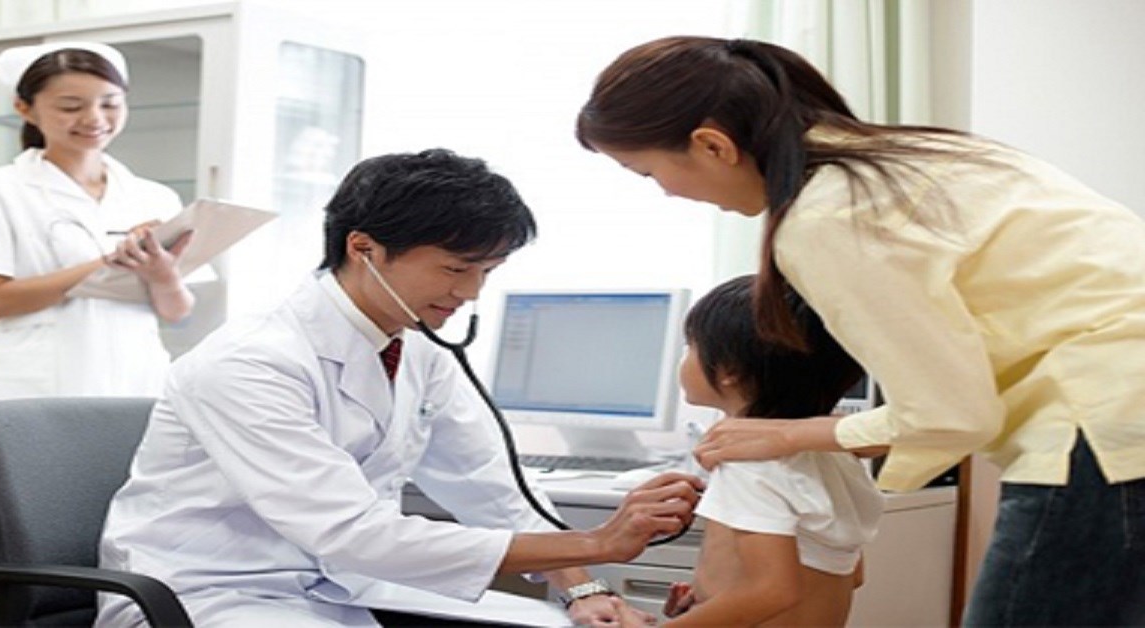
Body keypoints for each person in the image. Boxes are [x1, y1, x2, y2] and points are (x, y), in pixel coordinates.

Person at [575, 35, 1145, 626]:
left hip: (1103, 423)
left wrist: (789, 436)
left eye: (648, 172)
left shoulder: (830, 214)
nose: (667, 193)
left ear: (712, 145)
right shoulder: (915, 156)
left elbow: (953, 416)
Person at [97, 148, 701, 627]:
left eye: (487, 271)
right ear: (364, 248)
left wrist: (584, 589)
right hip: (207, 593)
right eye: (455, 268)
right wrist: (596, 542)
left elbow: (490, 491)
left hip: (337, 585)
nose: (470, 293)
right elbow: (350, 532)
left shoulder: (418, 347)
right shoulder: (249, 363)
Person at [0, 42, 194, 569]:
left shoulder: (153, 197)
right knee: (19, 532)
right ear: (25, 108)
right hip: (36, 383)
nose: (94, 118)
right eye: (70, 105)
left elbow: (176, 310)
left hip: (133, 377)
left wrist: (160, 272)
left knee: (129, 525)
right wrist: (105, 262)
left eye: (109, 103)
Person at [610, 275, 882, 626]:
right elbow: (849, 573)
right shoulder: (836, 455)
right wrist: (710, 601)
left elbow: (772, 592)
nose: (684, 356)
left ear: (730, 371)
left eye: (690, 346)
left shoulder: (747, 463)